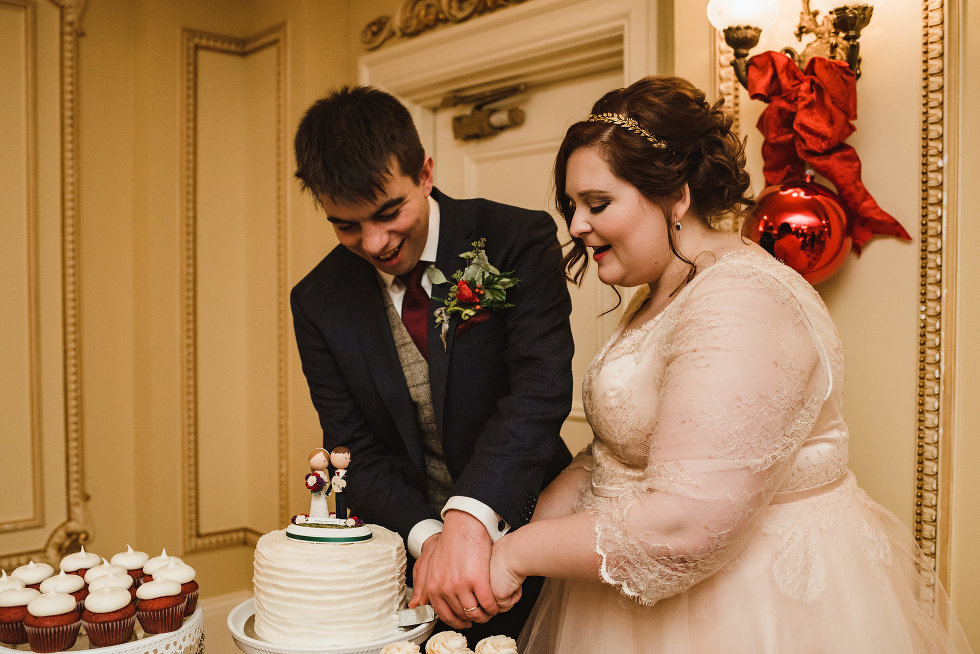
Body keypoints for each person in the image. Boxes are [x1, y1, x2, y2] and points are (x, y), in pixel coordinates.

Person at [486, 76, 973, 653]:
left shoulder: (740, 298)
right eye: (572, 207)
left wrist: (519, 555)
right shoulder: (665, 292)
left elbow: (685, 524)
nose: (576, 226)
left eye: (597, 204)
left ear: (678, 196)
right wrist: (508, 532)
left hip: (745, 610)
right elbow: (618, 454)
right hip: (630, 609)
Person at [290, 86, 574, 645]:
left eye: (389, 212)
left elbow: (538, 392)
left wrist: (469, 519)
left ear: (424, 173)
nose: (374, 242)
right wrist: (431, 539)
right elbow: (353, 445)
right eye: (346, 226)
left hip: (532, 532)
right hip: (414, 561)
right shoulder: (317, 299)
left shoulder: (516, 240)